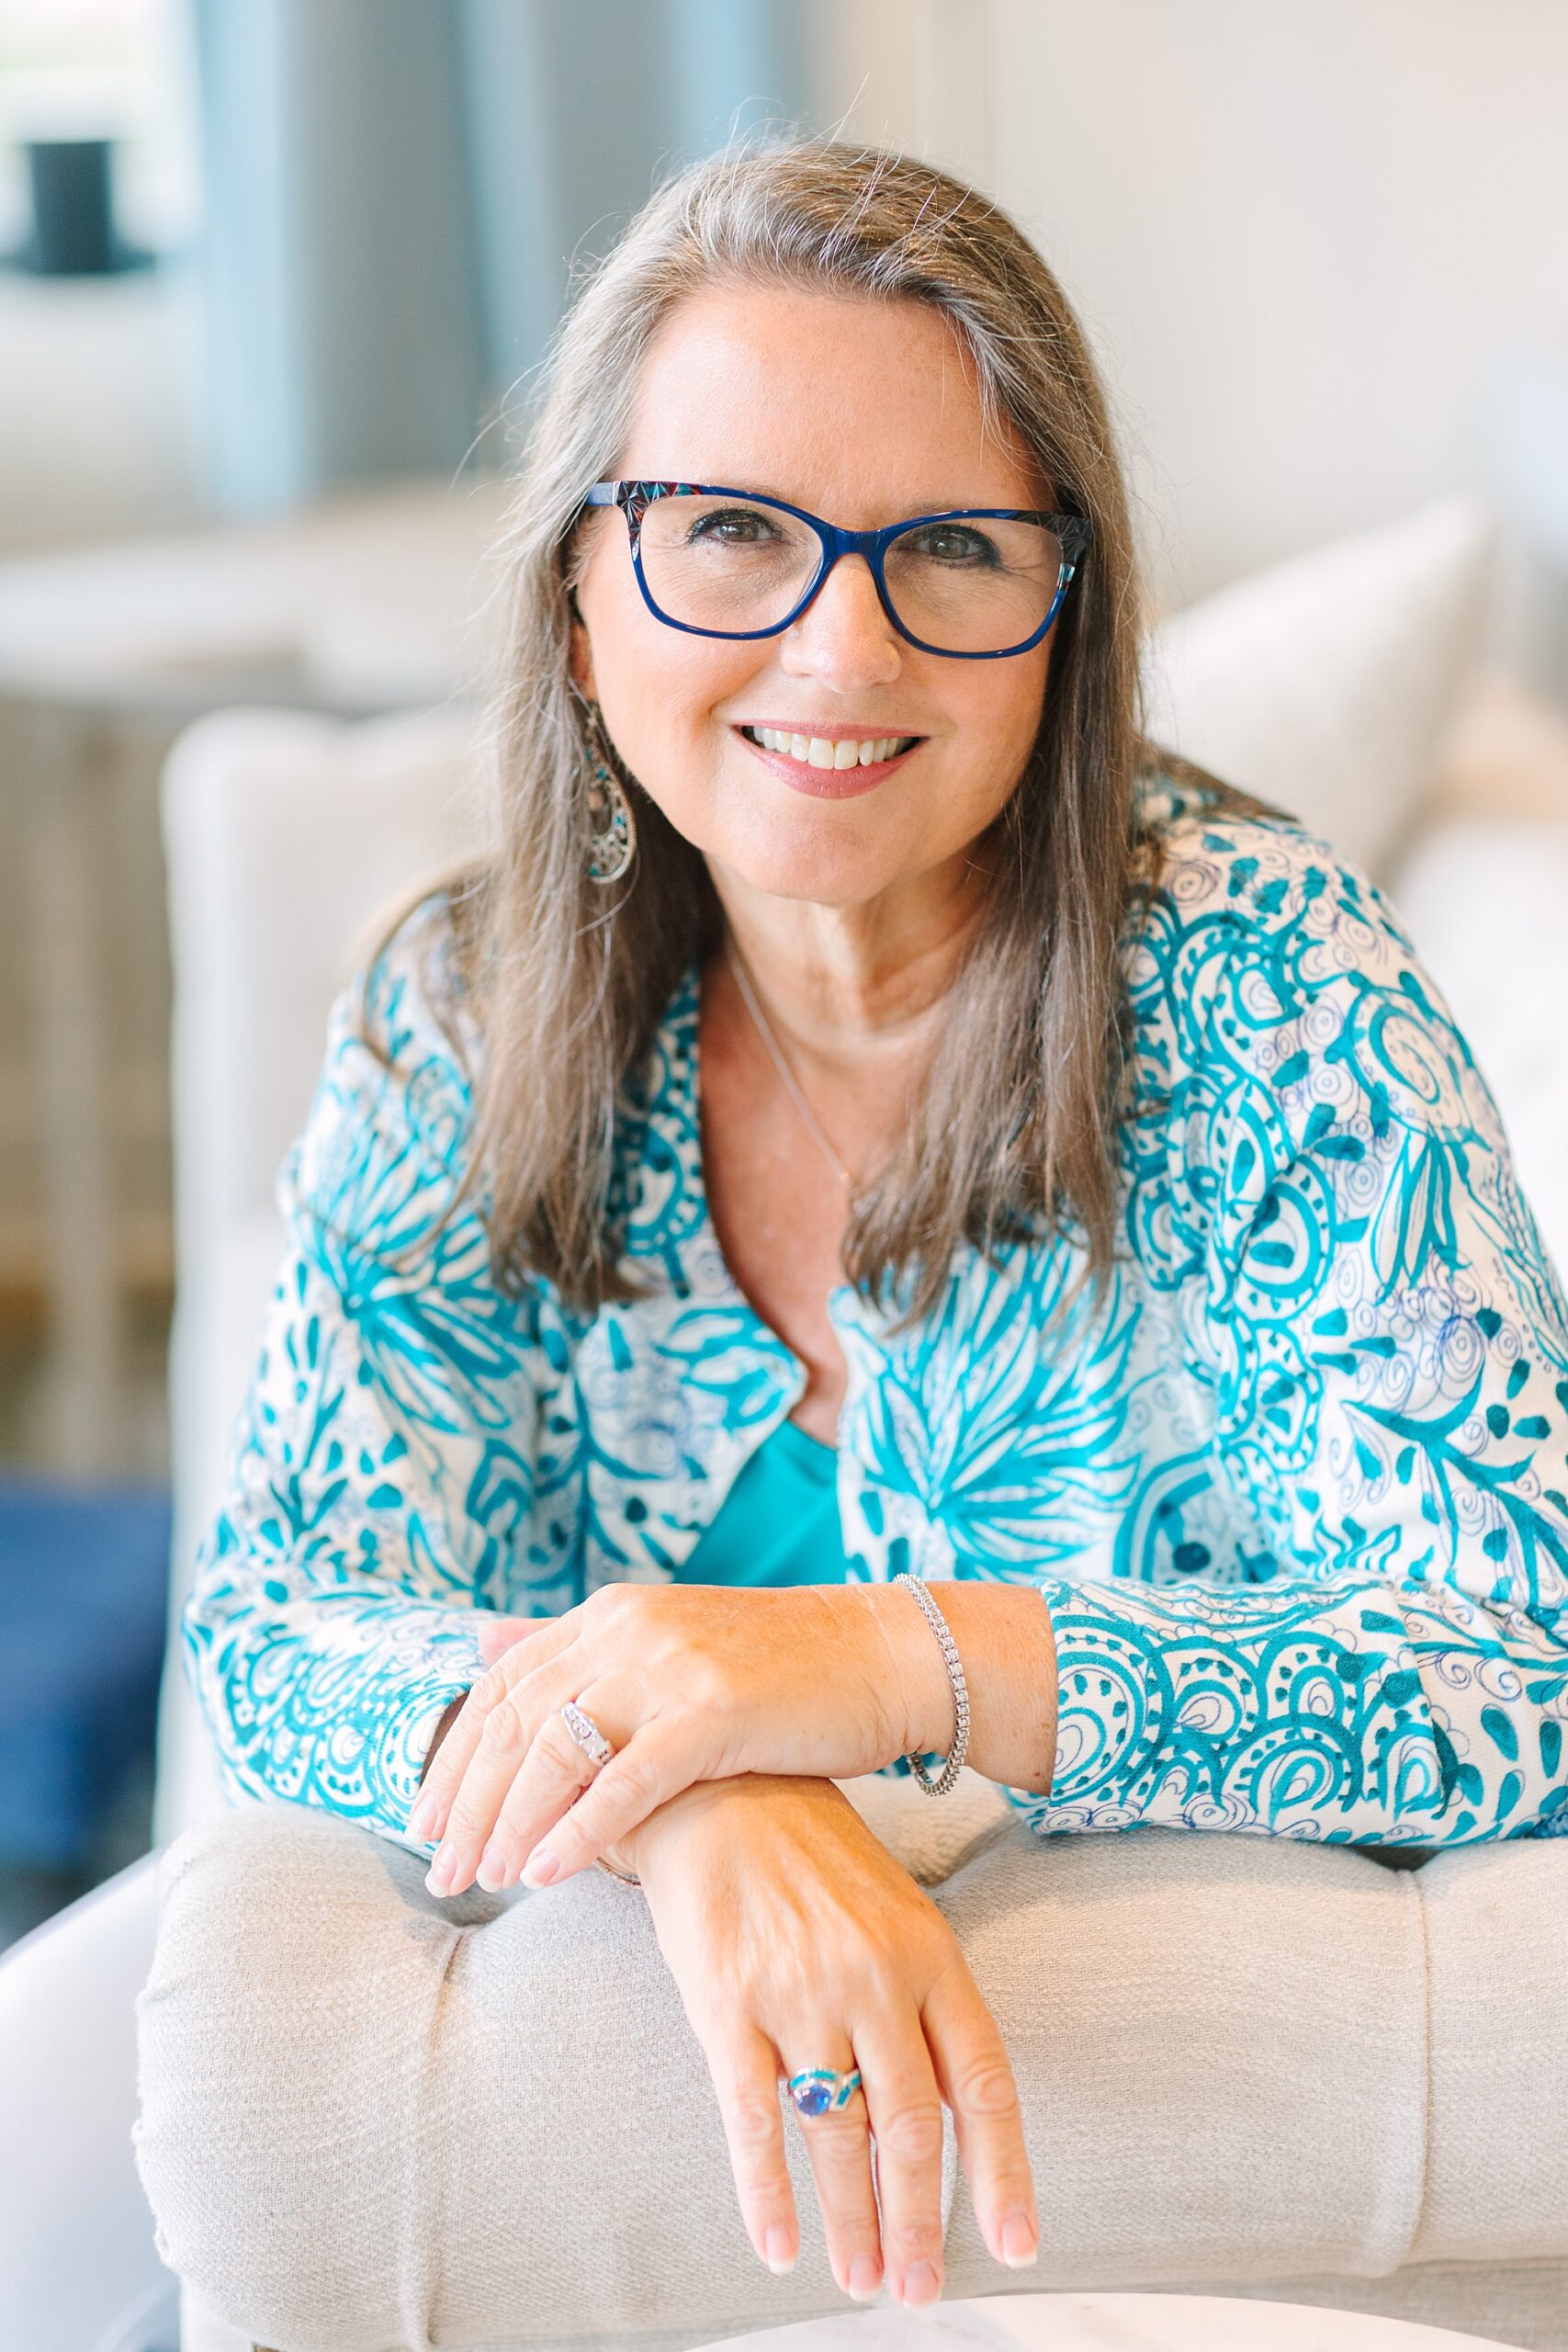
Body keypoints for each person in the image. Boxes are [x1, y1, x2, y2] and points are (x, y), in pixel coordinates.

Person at [181, 137, 1568, 2315]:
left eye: (945, 546)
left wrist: (848, 1661)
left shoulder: (1272, 982)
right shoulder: (458, 1008)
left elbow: (1516, 1662)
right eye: (727, 530)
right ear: (575, 594)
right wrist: (689, 1791)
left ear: (1062, 616)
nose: (840, 642)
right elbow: (277, 1619)